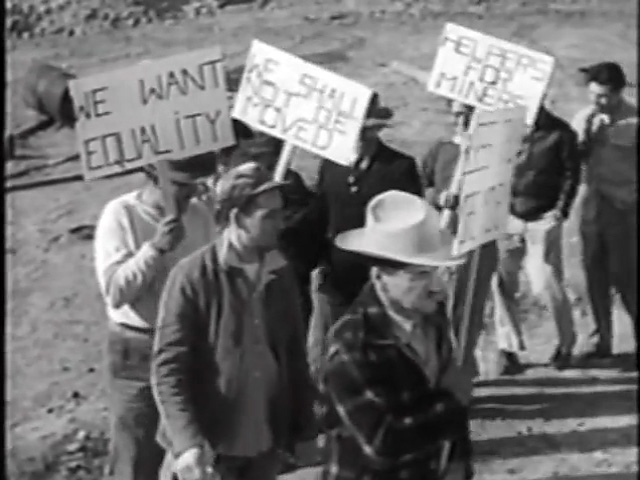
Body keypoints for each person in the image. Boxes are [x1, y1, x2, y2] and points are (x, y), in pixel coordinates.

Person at [151, 162, 317, 480]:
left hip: (264, 447)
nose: (280, 223)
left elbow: (294, 357)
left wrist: (304, 430)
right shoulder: (192, 276)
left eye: (281, 213)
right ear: (235, 217)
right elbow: (169, 369)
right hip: (208, 455)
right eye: (268, 216)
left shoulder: (280, 272)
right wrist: (188, 444)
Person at [318, 190, 473, 480]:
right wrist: (452, 400)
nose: (438, 288)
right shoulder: (354, 344)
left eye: (438, 272)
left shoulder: (433, 320)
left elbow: (449, 419)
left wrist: (459, 464)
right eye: (420, 275)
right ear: (379, 277)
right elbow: (382, 443)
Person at [94, 155, 218, 480]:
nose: (190, 194)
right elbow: (116, 290)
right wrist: (155, 249)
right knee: (136, 453)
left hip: (187, 343)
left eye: (194, 185)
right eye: (180, 185)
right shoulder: (121, 215)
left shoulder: (200, 216)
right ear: (153, 177)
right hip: (138, 348)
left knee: (190, 448)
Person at [284, 93, 424, 381]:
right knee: (333, 348)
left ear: (375, 131)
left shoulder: (399, 167)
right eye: (354, 131)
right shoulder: (333, 166)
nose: (359, 137)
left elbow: (410, 222)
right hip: (336, 277)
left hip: (380, 279)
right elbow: (322, 213)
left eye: (365, 130)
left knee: (380, 349)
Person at [491, 103, 581, 373]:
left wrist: (560, 211)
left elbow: (571, 174)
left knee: (546, 283)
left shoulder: (561, 134)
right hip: (508, 216)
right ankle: (508, 349)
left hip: (543, 217)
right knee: (502, 283)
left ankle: (565, 344)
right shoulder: (503, 127)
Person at [420, 100, 499, 380]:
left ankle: (463, 366)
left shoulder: (492, 154)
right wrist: (440, 199)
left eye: (467, 115)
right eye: (456, 115)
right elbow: (424, 184)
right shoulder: (441, 150)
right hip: (444, 239)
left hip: (477, 240)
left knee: (469, 307)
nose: (461, 122)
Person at [571, 61, 638, 361]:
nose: (599, 102)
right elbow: (572, 162)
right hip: (591, 206)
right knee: (593, 275)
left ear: (619, 92)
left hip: (625, 208)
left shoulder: (634, 120)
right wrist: (587, 137)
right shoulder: (583, 118)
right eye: (594, 95)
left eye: (605, 96)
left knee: (627, 277)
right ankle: (601, 339)